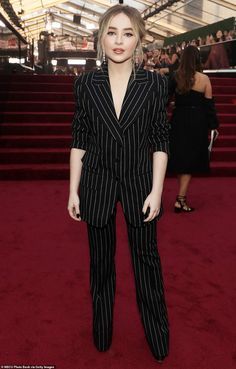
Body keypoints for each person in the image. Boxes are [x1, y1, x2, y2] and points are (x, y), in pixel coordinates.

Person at [67, 4, 170, 363]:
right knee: (100, 264)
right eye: (112, 32)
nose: (119, 40)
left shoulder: (155, 84)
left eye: (127, 33)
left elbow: (160, 139)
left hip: (141, 183)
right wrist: (72, 189)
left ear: (139, 39)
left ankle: (157, 336)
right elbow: (79, 137)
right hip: (96, 182)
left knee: (147, 261)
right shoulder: (85, 83)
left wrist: (157, 191)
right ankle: (102, 332)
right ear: (100, 38)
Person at [168, 46, 219, 212]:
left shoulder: (176, 76)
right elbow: (209, 105)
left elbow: (165, 100)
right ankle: (180, 199)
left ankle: (181, 198)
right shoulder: (204, 79)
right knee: (189, 161)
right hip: (198, 122)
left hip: (179, 120)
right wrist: (214, 126)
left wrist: (178, 104)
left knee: (180, 158)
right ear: (198, 59)